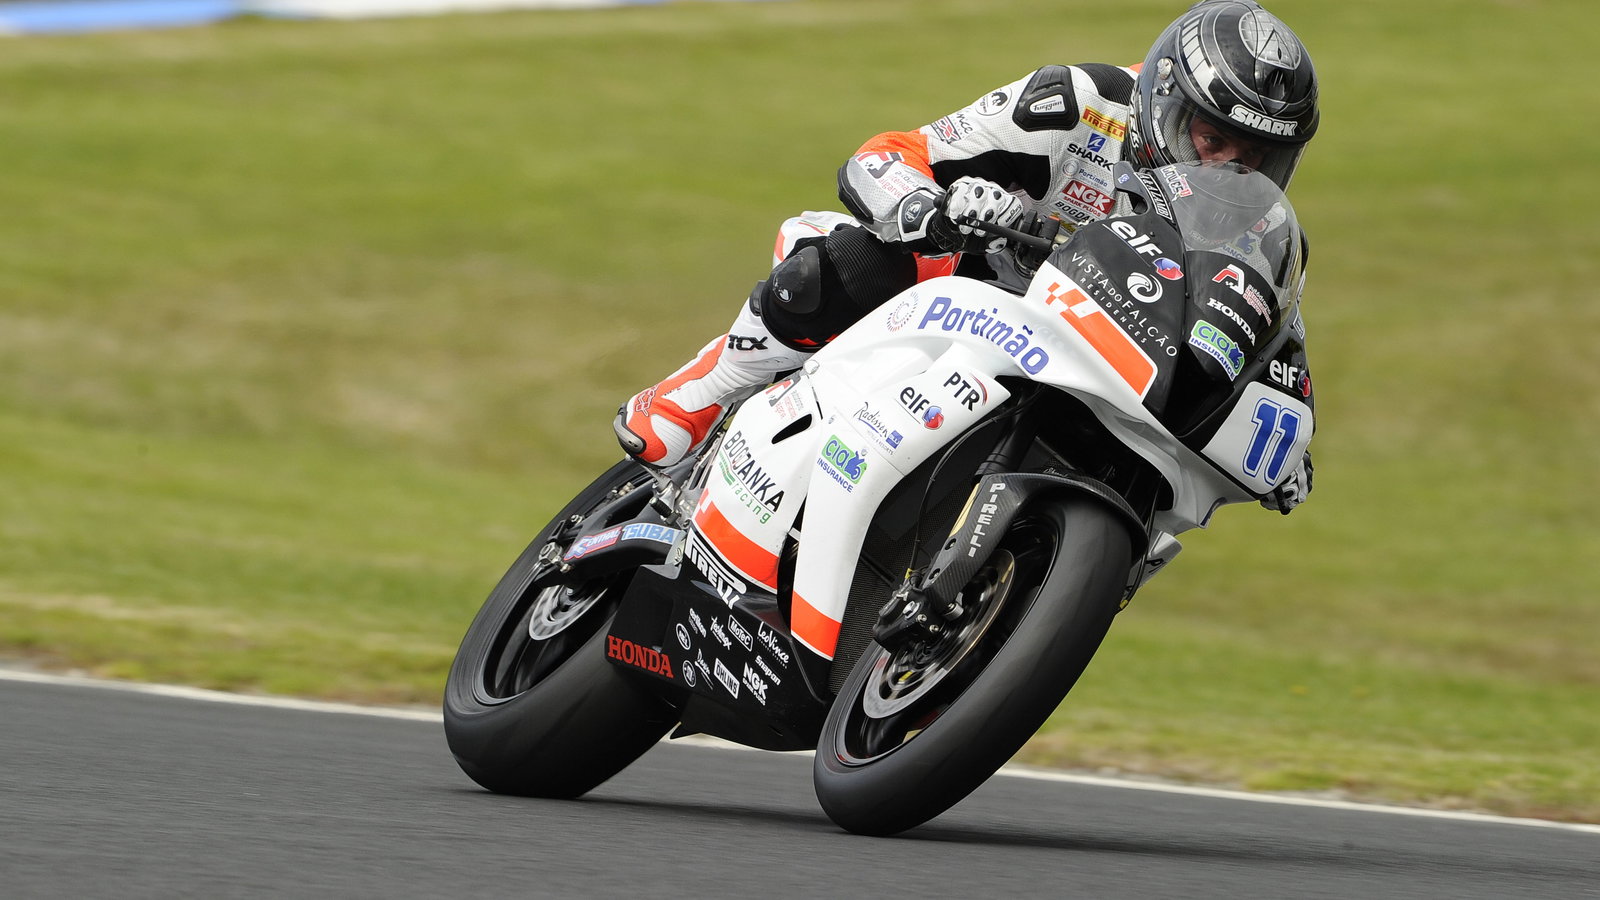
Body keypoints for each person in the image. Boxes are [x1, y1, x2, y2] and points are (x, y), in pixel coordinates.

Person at [614, 0, 1318, 510]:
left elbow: (1262, 332)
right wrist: (931, 208)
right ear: (1164, 103)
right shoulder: (1078, 104)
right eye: (1211, 139)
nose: (1228, 167)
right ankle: (704, 390)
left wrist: (1281, 440)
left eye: (1255, 156)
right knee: (864, 260)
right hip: (976, 294)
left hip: (1096, 371)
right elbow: (885, 157)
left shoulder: (1253, 225)